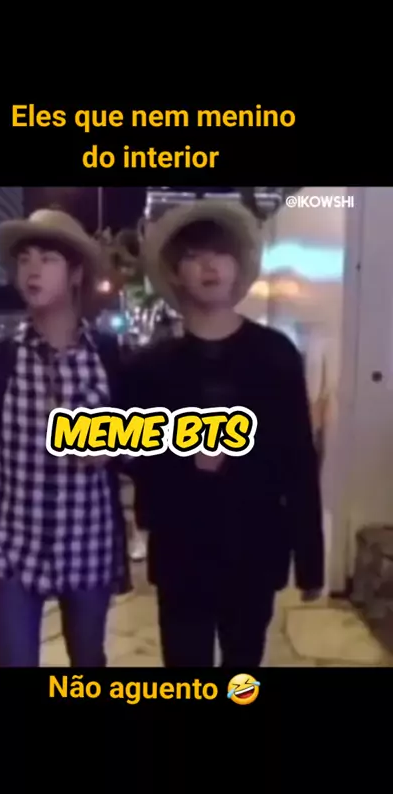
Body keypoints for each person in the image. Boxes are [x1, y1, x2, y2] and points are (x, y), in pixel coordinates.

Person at [125, 201, 324, 667]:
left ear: (238, 266)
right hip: (181, 553)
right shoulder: (150, 368)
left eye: (220, 253)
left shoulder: (274, 355)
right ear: (176, 273)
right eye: (194, 256)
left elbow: (298, 460)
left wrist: (310, 560)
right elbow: (126, 453)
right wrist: (180, 459)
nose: (209, 266)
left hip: (254, 550)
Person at [0, 209, 129, 667]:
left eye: (48, 259)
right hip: (14, 551)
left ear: (75, 274)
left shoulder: (106, 358)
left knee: (88, 661)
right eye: (24, 259)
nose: (32, 269)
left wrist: (109, 450)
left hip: (87, 546)